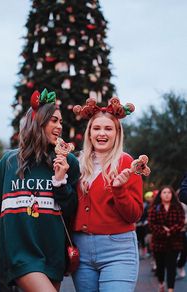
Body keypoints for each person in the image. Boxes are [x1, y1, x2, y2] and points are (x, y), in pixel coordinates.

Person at [0, 88, 80, 292]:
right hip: (20, 255)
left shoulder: (69, 162)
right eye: (53, 120)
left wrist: (60, 181)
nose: (59, 126)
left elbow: (70, 211)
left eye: (60, 121)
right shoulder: (9, 162)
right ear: (37, 122)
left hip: (53, 254)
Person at [71, 97, 144, 292]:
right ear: (89, 132)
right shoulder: (76, 163)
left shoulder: (127, 163)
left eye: (108, 129)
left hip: (117, 250)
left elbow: (134, 215)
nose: (102, 133)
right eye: (96, 128)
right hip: (82, 250)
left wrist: (119, 190)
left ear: (117, 133)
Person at [148, 186, 185, 292]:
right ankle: (161, 283)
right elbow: (152, 224)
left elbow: (181, 222)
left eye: (169, 192)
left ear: (172, 194)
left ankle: (170, 289)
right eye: (164, 192)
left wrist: (170, 231)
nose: (167, 194)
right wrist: (164, 232)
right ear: (160, 195)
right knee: (160, 267)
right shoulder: (155, 208)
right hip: (159, 242)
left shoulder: (177, 207)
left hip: (174, 242)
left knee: (171, 267)